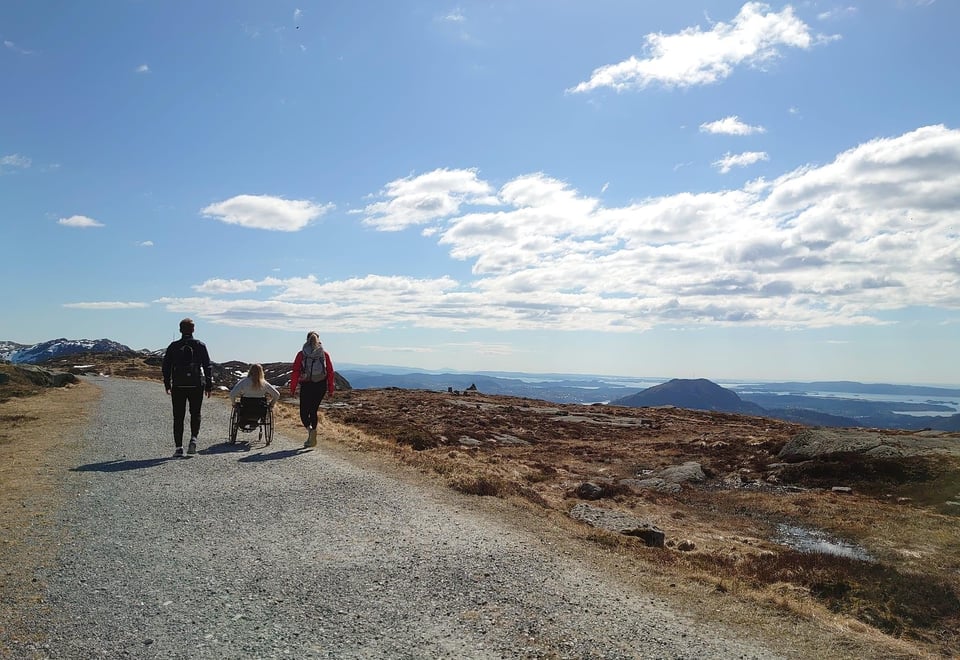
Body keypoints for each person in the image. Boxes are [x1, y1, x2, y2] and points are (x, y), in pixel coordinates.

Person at [161, 318, 213, 456]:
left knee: (178, 416)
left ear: (180, 330)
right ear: (193, 330)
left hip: (178, 385)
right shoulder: (200, 345)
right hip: (196, 385)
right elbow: (207, 366)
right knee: (195, 413)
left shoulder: (173, 346)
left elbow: (166, 366)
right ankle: (193, 440)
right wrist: (209, 385)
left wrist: (167, 383)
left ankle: (178, 448)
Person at [290, 331, 335, 448]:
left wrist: (293, 388)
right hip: (320, 385)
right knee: (313, 410)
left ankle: (311, 432)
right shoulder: (324, 354)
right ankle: (313, 431)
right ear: (318, 340)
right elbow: (330, 372)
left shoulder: (301, 354)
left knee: (304, 412)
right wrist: (330, 389)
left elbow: (295, 371)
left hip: (307, 385)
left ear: (306, 340)